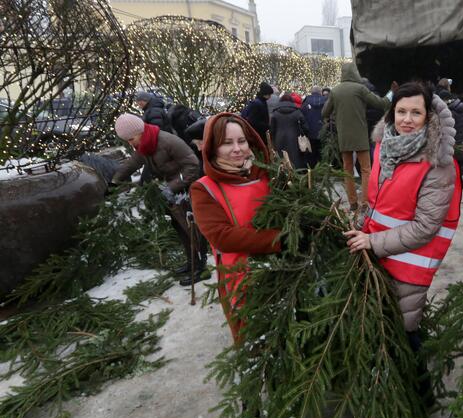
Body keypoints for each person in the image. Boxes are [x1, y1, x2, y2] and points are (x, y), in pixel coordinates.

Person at [344, 82, 461, 405]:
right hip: (379, 251)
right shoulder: (385, 146)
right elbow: (377, 200)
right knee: (385, 327)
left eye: (416, 112)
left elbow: (425, 226)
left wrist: (371, 240)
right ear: (391, 113)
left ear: (429, 117)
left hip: (410, 261)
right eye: (401, 111)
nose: (407, 119)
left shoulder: (438, 163)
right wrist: (361, 226)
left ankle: (422, 400)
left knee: (406, 331)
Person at [190, 114, 282, 345]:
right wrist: (281, 239)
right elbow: (223, 237)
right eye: (227, 143)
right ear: (212, 146)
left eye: (242, 141)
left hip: (282, 272)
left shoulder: (266, 175)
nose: (237, 149)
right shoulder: (205, 189)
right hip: (242, 277)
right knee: (255, 340)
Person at [111, 113, 206, 285]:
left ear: (140, 132)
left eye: (131, 139)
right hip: (170, 192)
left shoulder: (168, 141)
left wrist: (172, 187)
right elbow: (132, 163)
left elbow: (193, 165)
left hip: (186, 190)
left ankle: (200, 266)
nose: (130, 143)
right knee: (179, 228)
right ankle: (191, 262)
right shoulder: (145, 144)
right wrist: (114, 182)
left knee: (192, 229)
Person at [322, 63, 391, 212]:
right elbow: (380, 103)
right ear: (355, 73)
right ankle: (365, 203)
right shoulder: (360, 89)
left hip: (344, 137)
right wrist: (391, 93)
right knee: (366, 169)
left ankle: (352, 203)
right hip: (360, 136)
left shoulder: (335, 91)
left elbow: (324, 113)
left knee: (347, 170)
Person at [270, 93, 312, 169]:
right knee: (295, 159)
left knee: (281, 158)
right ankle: (297, 176)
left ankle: (283, 176)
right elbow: (305, 127)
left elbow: (272, 129)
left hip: (279, 139)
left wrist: (273, 140)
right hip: (294, 139)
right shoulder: (297, 112)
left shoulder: (275, 113)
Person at [438, 89, 463, 183]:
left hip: (454, 139)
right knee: (458, 161)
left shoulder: (451, 110)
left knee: (455, 162)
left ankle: (458, 180)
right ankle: (459, 178)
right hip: (459, 137)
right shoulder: (457, 106)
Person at [301, 86, 327, 167]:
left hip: (310, 132)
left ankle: (311, 170)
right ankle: (322, 169)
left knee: (311, 153)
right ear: (320, 92)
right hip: (323, 131)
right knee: (322, 152)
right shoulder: (326, 100)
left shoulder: (306, 101)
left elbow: (302, 116)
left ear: (311, 92)